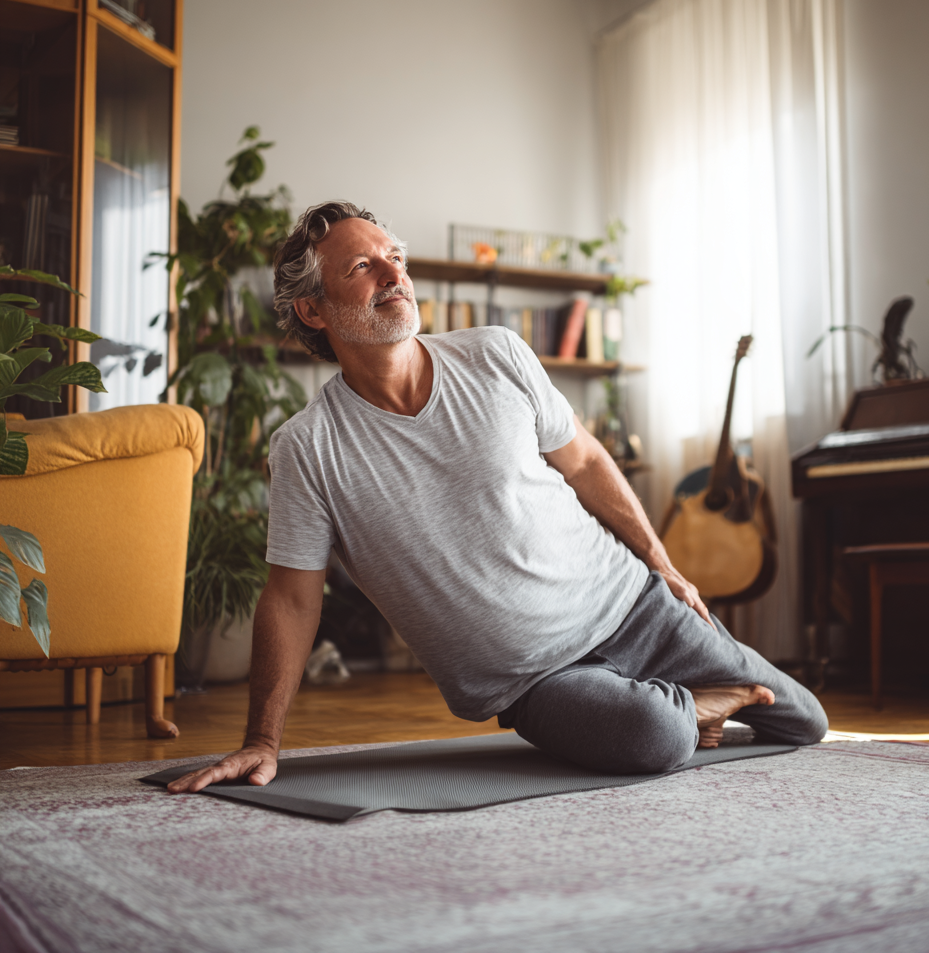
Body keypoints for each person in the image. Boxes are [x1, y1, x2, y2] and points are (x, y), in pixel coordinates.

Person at [168, 202, 827, 794]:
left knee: (804, 721)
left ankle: (682, 704)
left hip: (635, 606)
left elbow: (586, 461)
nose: (394, 275)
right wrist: (262, 740)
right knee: (652, 737)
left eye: (395, 257)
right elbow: (291, 598)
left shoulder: (496, 354)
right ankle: (690, 709)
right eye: (362, 267)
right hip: (535, 679)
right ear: (313, 311)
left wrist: (663, 565)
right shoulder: (307, 448)